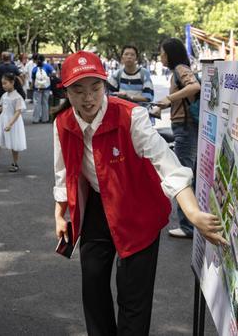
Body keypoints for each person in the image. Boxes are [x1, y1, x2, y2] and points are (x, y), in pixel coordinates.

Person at [52, 51, 225, 336]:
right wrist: (60, 214)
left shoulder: (130, 117)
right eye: (77, 90)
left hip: (138, 208)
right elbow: (62, 171)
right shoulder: (63, 123)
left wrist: (192, 213)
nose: (88, 98)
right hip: (96, 206)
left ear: (105, 85)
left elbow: (167, 165)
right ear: (66, 91)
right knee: (93, 285)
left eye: (95, 87)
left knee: (133, 296)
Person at [156, 38, 202, 239]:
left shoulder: (181, 69)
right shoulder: (178, 71)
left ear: (170, 54)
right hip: (184, 126)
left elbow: (194, 87)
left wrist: (169, 99)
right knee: (190, 173)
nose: (161, 56)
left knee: (184, 176)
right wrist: (163, 106)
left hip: (186, 128)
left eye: (162, 53)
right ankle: (193, 223)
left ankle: (188, 226)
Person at [31, 54, 54, 123]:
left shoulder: (35, 69)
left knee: (37, 103)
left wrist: (32, 86)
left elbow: (33, 79)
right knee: (45, 103)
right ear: (43, 60)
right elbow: (54, 73)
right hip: (46, 88)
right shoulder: (48, 67)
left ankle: (36, 119)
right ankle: (45, 119)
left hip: (37, 88)